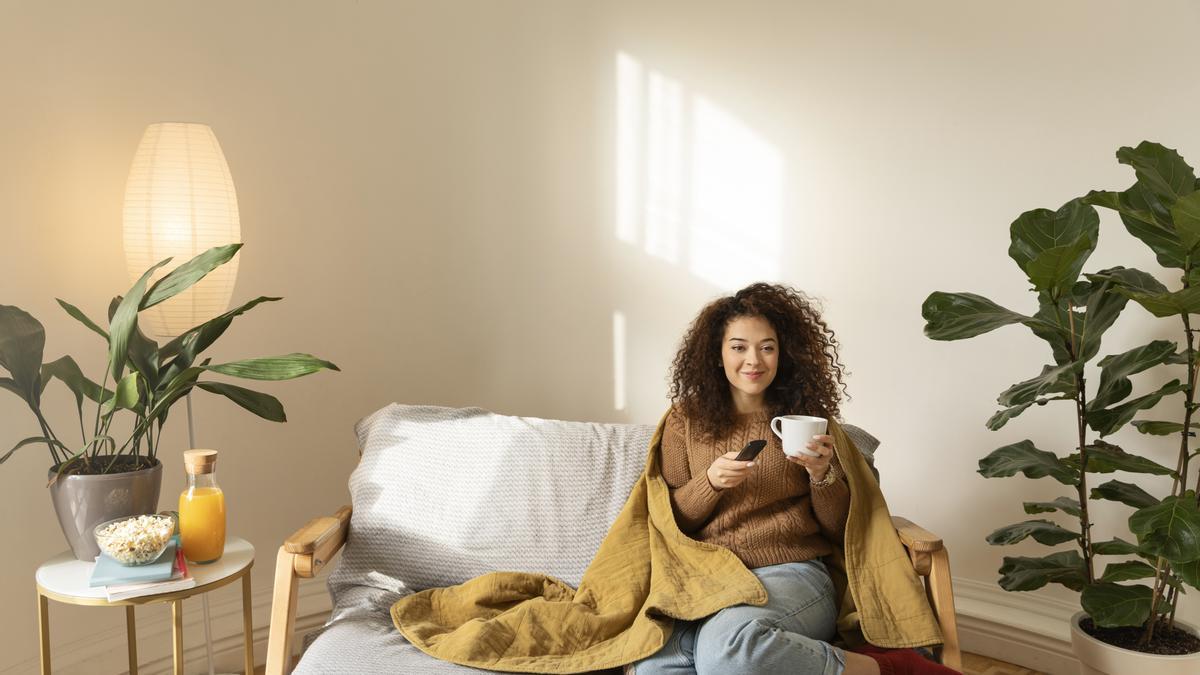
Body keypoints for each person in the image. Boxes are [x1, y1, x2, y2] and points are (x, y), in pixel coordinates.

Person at [632, 283, 953, 675]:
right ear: (716, 354)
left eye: (767, 347)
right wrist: (710, 483)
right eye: (738, 347)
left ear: (783, 354)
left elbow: (842, 531)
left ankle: (888, 669)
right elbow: (670, 523)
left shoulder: (807, 417)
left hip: (793, 572)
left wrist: (822, 475)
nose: (754, 360)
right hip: (706, 576)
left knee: (728, 651)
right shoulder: (684, 421)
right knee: (655, 669)